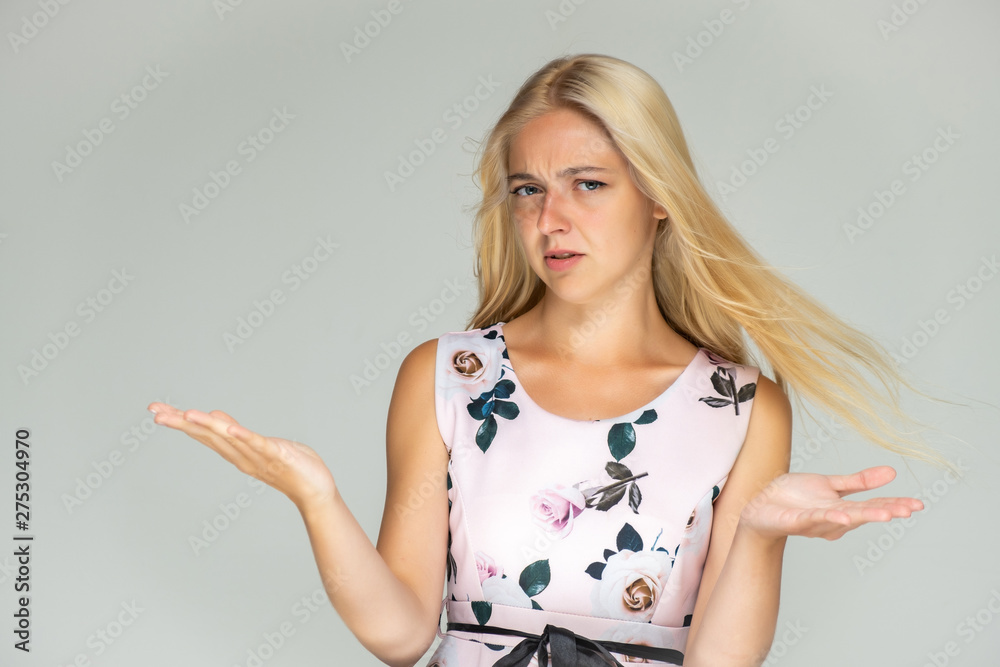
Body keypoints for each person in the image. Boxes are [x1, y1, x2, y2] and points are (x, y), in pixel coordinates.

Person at [148, 54, 956, 667]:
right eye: (528, 189)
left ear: (659, 195)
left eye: (588, 184)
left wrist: (761, 535)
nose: (551, 218)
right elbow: (400, 632)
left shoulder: (742, 406)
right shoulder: (448, 378)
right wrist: (316, 497)